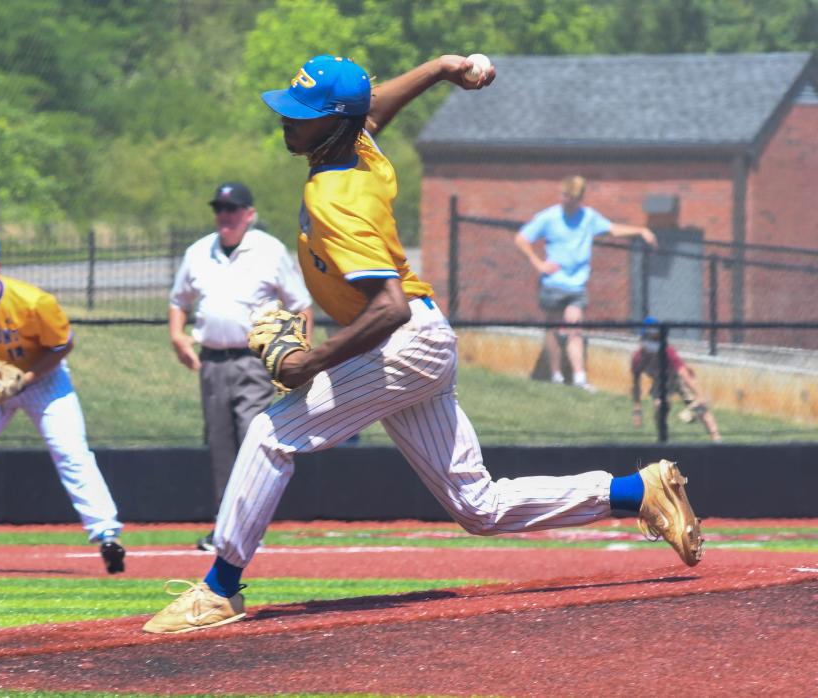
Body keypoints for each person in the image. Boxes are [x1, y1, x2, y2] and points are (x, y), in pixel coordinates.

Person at [143, 54, 703, 634]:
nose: (288, 121)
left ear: (335, 123)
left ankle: (219, 588)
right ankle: (639, 489)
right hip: (418, 340)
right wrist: (439, 68)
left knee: (270, 434)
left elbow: (388, 306)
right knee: (477, 507)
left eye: (303, 114)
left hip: (403, 342)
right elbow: (374, 108)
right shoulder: (358, 148)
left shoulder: (338, 199)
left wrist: (312, 359)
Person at [0, 226, 125, 574]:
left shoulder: (33, 302)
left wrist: (25, 380)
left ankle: (107, 534)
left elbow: (62, 345)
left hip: (43, 380)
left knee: (70, 450)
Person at [169, 182, 313, 552]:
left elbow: (300, 304)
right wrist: (178, 336)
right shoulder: (199, 251)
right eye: (220, 208)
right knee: (220, 442)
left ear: (249, 214)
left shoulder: (269, 250)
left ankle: (251, 528)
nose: (225, 216)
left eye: (232, 209)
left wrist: (300, 356)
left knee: (253, 438)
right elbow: (178, 300)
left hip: (254, 361)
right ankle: (225, 527)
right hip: (213, 361)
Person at [514, 176, 658, 392]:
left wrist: (641, 230)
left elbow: (612, 229)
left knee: (575, 329)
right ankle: (556, 376)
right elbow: (522, 239)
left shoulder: (588, 217)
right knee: (553, 329)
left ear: (579, 198)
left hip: (576, 286)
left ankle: (579, 377)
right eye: (563, 195)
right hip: (553, 284)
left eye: (570, 197)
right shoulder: (549, 217)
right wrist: (538, 264)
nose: (565, 200)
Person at [632, 316, 722, 442]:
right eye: (651, 337)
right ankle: (663, 438)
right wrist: (637, 410)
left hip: (678, 378)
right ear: (643, 338)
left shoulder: (667, 351)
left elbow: (684, 373)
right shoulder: (638, 358)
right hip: (660, 382)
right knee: (660, 406)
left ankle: (716, 437)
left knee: (701, 408)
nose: (655, 341)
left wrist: (699, 396)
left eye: (657, 337)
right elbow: (636, 384)